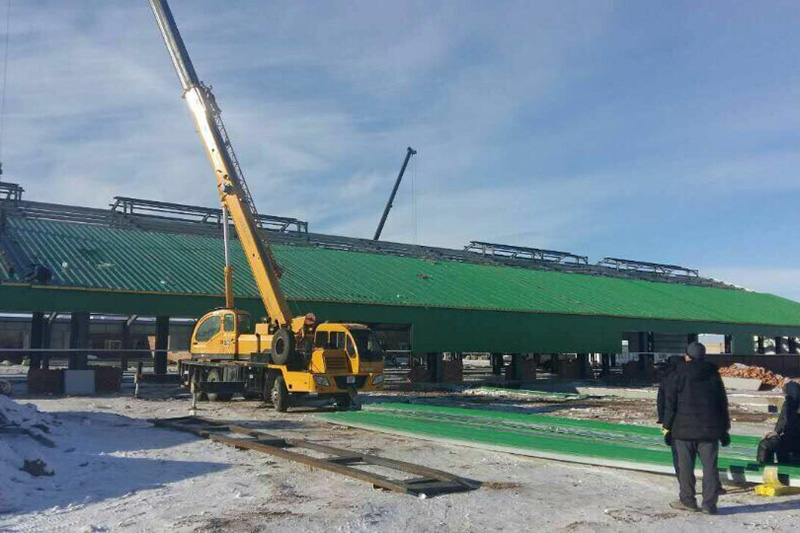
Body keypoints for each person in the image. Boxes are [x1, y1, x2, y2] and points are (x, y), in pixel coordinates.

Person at [662, 341, 730, 515]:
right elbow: (722, 403)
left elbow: (671, 403)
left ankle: (688, 501)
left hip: (683, 431)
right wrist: (724, 430)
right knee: (710, 468)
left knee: (685, 468)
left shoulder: (678, 373)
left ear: (687, 356)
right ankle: (709, 504)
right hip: (709, 430)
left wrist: (667, 427)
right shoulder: (713, 374)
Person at [759, 381, 800, 464]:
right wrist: (776, 432)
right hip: (788, 438)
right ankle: (763, 468)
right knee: (765, 444)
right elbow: (783, 420)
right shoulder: (787, 404)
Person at [657, 355, 684, 425]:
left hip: (670, 416)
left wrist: (661, 417)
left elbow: (661, 400)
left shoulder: (667, 378)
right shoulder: (686, 377)